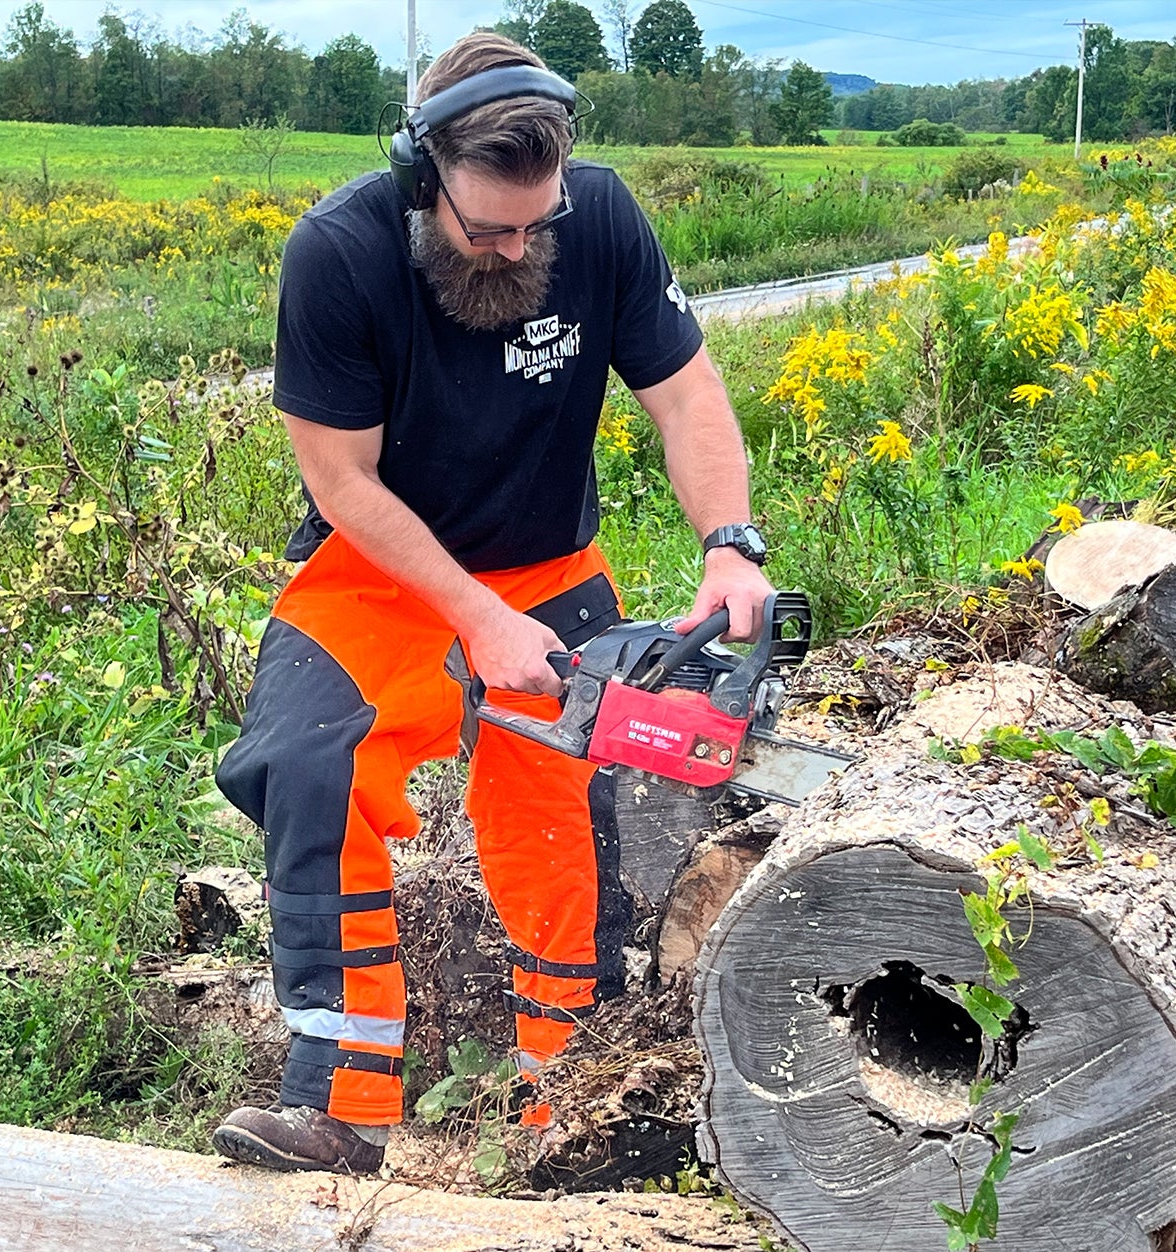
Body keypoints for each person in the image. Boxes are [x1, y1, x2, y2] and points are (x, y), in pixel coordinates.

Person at [211, 32, 774, 1175]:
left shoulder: (600, 222)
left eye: (537, 222)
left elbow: (687, 397)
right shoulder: (339, 252)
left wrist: (727, 546)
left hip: (547, 566)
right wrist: (470, 615)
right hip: (382, 568)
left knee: (557, 813)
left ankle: (561, 1100)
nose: (519, 244)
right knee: (307, 763)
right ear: (424, 182)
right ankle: (339, 1102)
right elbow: (341, 481)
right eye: (489, 228)